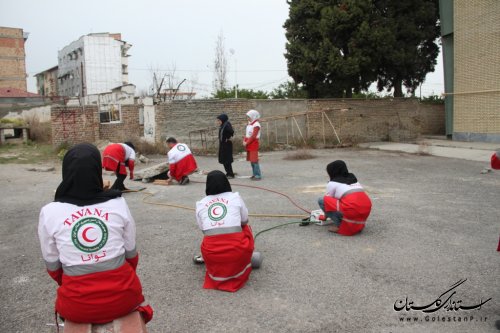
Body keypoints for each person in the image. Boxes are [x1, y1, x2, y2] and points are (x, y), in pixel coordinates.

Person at [38, 143, 153, 325]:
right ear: (96, 171)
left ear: (65, 171)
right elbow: (131, 255)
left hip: (76, 306)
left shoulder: (49, 212)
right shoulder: (118, 204)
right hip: (124, 299)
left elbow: (53, 266)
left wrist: (74, 281)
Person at [195, 170, 255, 292]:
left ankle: (215, 263)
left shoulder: (200, 204)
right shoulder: (235, 197)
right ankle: (241, 260)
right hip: (237, 251)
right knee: (245, 228)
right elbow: (245, 220)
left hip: (211, 253)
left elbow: (203, 229)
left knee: (210, 235)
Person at [317, 160, 372, 235]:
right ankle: (355, 224)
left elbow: (327, 202)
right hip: (366, 208)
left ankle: (340, 225)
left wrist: (325, 216)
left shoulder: (332, 183)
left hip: (353, 209)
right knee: (345, 202)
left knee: (322, 200)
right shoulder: (353, 179)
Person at [243, 109, 262, 180]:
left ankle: (257, 175)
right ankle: (254, 174)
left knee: (254, 160)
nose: (248, 118)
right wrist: (244, 140)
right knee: (251, 160)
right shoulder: (250, 124)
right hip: (249, 143)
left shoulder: (256, 125)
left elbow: (253, 136)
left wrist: (246, 142)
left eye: (249, 117)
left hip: (253, 143)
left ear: (253, 116)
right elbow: (247, 134)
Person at [216, 114, 235, 179]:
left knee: (227, 160)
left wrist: (228, 137)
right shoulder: (223, 125)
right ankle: (228, 173)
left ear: (223, 119)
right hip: (223, 144)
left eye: (219, 120)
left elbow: (231, 131)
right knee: (224, 159)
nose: (218, 122)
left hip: (227, 145)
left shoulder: (227, 125)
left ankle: (231, 174)